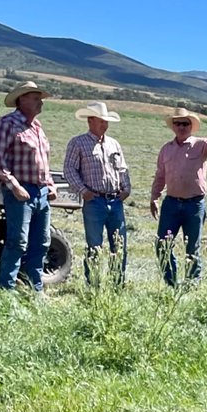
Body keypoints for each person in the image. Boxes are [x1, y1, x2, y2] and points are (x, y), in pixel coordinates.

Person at [149, 108, 207, 286]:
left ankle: (192, 285)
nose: (181, 127)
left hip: (194, 205)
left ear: (191, 126)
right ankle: (171, 284)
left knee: (192, 247)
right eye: (178, 123)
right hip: (171, 204)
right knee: (162, 245)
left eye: (185, 123)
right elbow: (160, 175)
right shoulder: (166, 149)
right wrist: (154, 197)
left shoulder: (201, 144)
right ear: (173, 126)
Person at [0, 79, 56, 291]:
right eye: (36, 98)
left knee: (41, 242)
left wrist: (50, 184)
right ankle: (5, 289)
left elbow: (44, 161)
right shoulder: (7, 123)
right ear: (22, 100)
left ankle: (35, 288)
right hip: (21, 192)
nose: (40, 102)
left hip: (41, 192)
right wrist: (15, 186)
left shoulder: (37, 127)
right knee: (17, 242)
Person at [64, 101, 131, 284]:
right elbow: (69, 169)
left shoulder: (113, 144)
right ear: (90, 121)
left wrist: (126, 189)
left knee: (119, 245)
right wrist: (83, 191)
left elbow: (122, 169)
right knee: (94, 245)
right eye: (101, 121)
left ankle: (117, 283)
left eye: (105, 121)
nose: (104, 124)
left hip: (115, 200)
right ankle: (93, 283)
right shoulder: (78, 143)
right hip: (94, 201)